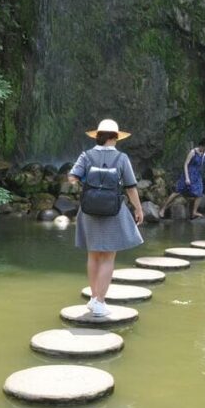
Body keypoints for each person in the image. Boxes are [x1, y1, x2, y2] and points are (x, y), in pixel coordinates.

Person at [67, 119, 144, 318]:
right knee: (108, 257)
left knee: (93, 255)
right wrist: (138, 208)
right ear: (115, 137)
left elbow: (72, 177)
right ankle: (101, 302)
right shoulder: (121, 158)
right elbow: (130, 187)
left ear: (98, 136)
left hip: (89, 210)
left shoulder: (86, 155)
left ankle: (94, 298)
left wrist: (86, 184)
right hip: (113, 210)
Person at [160, 138, 205, 219]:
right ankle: (163, 209)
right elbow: (186, 164)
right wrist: (187, 178)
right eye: (204, 147)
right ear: (201, 145)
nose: (204, 149)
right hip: (188, 174)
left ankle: (194, 212)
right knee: (177, 192)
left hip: (197, 176)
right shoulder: (193, 152)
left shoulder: (203, 154)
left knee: (199, 193)